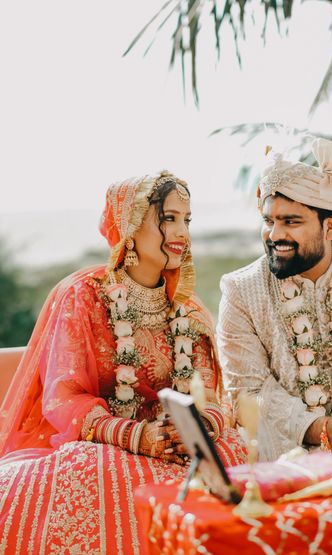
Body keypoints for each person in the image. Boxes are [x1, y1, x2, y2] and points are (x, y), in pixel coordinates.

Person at [0, 171, 247, 554]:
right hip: (106, 445)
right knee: (90, 470)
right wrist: (137, 437)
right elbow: (64, 399)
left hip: (178, 450)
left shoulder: (188, 308)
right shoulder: (83, 297)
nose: (182, 232)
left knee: (234, 452)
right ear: (130, 223)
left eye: (187, 219)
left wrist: (198, 426)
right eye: (168, 218)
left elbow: (213, 398)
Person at [217, 138, 332, 468]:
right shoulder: (241, 290)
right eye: (269, 221)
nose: (274, 235)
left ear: (329, 227)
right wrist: (329, 430)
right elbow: (248, 390)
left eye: (291, 221)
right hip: (290, 468)